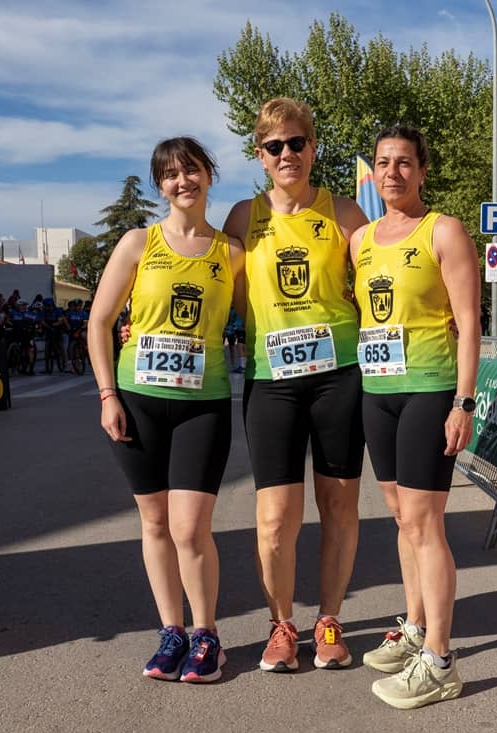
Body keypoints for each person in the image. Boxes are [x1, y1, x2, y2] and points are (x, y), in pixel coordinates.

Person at [88, 136, 243, 684]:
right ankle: (171, 631)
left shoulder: (232, 252)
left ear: (209, 175)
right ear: (161, 186)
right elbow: (100, 321)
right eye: (172, 174)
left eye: (192, 170)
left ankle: (207, 635)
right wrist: (108, 395)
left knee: (190, 527)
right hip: (138, 403)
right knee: (154, 522)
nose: (183, 181)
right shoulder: (138, 243)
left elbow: (265, 313)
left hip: (203, 405)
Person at [222, 97, 368, 672]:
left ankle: (329, 619)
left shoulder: (344, 213)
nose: (287, 154)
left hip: (337, 377)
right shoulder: (243, 217)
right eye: (275, 146)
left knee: (339, 506)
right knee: (276, 517)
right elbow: (206, 277)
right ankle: (281, 624)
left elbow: (383, 273)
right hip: (272, 381)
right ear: (260, 156)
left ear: (313, 148)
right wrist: (138, 320)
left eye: (297, 143)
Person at [350, 125, 480, 709]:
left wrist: (463, 402)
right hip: (377, 392)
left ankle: (440, 660)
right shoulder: (361, 239)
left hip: (429, 391)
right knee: (403, 518)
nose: (392, 172)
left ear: (422, 171)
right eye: (383, 162)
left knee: (425, 525)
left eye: (404, 162)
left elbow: (469, 323)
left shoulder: (444, 230)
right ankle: (416, 628)